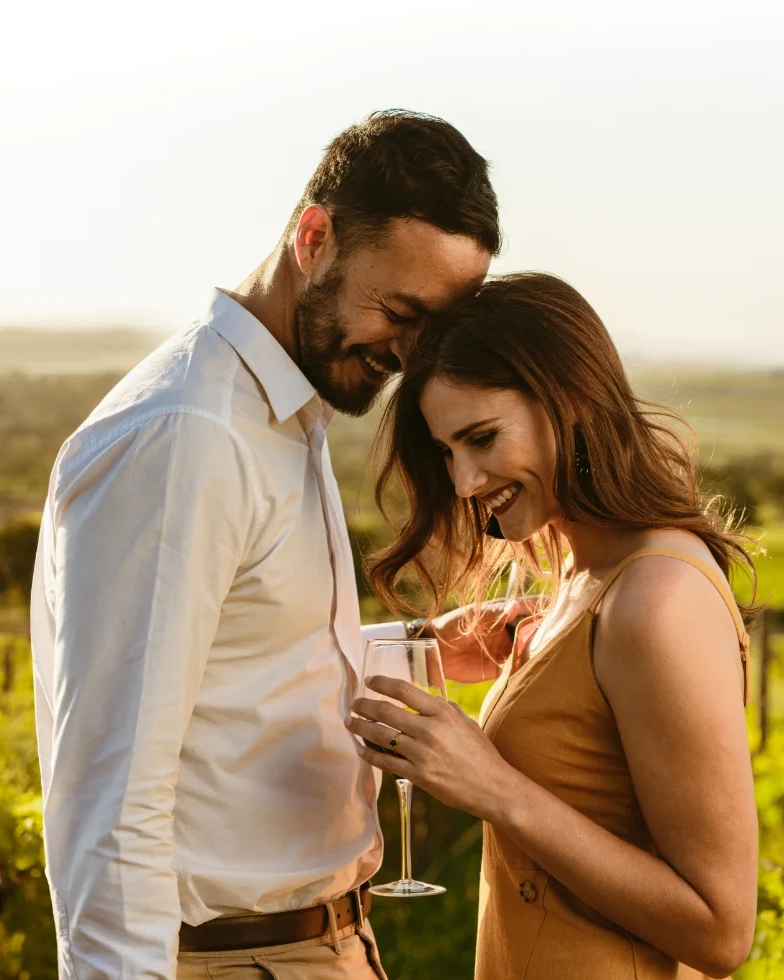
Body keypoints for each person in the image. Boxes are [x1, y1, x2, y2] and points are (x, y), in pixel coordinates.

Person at [29, 110, 521, 980]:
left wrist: (416, 651)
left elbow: (223, 662)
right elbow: (112, 800)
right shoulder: (190, 436)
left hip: (319, 946)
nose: (409, 355)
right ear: (314, 237)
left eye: (431, 330)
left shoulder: (283, 413)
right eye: (400, 311)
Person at [348, 272, 759, 979]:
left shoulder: (656, 598)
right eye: (448, 452)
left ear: (569, 400)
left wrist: (493, 786)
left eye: (482, 438)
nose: (465, 483)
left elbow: (721, 931)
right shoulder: (584, 575)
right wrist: (426, 643)